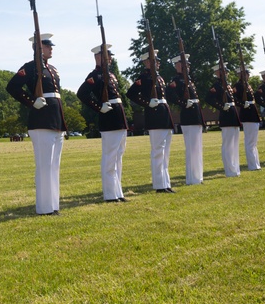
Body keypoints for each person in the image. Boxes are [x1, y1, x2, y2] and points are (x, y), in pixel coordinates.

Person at [7, 34, 65, 215]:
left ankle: (53, 205)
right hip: (41, 120)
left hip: (55, 119)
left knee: (54, 165)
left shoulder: (53, 69)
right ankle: (44, 207)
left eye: (50, 46)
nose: (51, 49)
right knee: (44, 165)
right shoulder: (30, 68)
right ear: (38, 48)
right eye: (47, 46)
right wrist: (31, 101)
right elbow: (12, 87)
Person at [76, 44, 128, 202]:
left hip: (119, 117)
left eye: (110, 56)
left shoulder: (111, 75)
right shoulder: (95, 75)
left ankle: (117, 191)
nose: (110, 58)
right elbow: (82, 93)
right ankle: (110, 194)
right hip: (109, 117)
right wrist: (99, 107)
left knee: (118, 157)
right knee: (110, 157)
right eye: (106, 55)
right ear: (98, 57)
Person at [126, 50, 176, 193]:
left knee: (165, 153)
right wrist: (147, 103)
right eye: (154, 60)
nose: (158, 63)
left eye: (157, 61)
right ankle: (159, 185)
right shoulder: (144, 77)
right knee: (157, 151)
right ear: (146, 62)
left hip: (164, 114)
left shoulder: (159, 77)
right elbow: (131, 94)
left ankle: (166, 183)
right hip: (154, 116)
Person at [168, 53, 204, 185]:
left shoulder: (188, 79)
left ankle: (198, 177)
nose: (187, 67)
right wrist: (183, 103)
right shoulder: (176, 80)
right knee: (191, 148)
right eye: (185, 64)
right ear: (178, 65)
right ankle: (192, 178)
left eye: (188, 65)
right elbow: (170, 95)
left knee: (198, 148)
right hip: (188, 116)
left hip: (195, 115)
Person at [206, 64, 241, 178]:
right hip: (226, 115)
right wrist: (221, 106)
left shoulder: (228, 85)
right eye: (223, 71)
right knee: (228, 144)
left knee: (235, 144)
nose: (226, 73)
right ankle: (229, 169)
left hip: (233, 114)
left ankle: (235, 168)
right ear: (218, 73)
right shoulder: (216, 86)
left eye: (226, 71)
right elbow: (209, 99)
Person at [235, 68, 262, 171]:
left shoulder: (248, 85)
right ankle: (252, 165)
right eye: (245, 74)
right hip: (247, 115)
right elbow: (235, 99)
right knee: (250, 142)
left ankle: (256, 163)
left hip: (253, 114)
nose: (247, 76)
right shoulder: (238, 86)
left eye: (247, 74)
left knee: (254, 142)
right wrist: (243, 104)